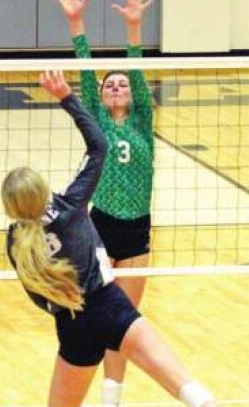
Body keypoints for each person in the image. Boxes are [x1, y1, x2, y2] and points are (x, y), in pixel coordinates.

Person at [2, 70, 216, 407]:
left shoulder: (14, 240)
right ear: (43, 190)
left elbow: (36, 294)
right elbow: (99, 144)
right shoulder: (70, 205)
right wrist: (66, 98)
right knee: (190, 391)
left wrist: (58, 303)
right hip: (109, 305)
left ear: (10, 209)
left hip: (70, 322)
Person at [57, 0, 155, 403]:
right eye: (108, 84)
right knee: (89, 322)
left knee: (123, 324)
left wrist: (135, 28)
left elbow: (136, 71)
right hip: (99, 226)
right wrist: (76, 22)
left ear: (132, 97)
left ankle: (111, 397)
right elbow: (85, 72)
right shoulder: (95, 120)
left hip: (136, 232)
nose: (115, 86)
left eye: (121, 84)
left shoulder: (143, 122)